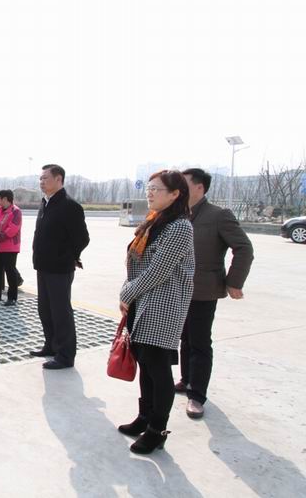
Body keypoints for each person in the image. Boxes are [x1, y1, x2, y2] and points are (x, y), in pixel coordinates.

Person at [117, 169, 195, 454]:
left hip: (163, 305)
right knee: (145, 364)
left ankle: (157, 430)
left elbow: (158, 271)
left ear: (175, 194)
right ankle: (145, 416)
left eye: (156, 189)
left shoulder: (180, 227)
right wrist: (128, 292)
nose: (150, 193)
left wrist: (127, 293)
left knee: (158, 369)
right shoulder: (155, 220)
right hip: (142, 301)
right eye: (148, 188)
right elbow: (136, 263)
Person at [177, 168, 254, 419]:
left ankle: (197, 396)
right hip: (178, 288)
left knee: (199, 342)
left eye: (184, 184)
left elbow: (244, 248)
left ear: (199, 187)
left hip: (204, 289)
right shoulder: (178, 213)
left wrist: (234, 282)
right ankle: (186, 379)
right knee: (185, 338)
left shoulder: (218, 215)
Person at [29, 164, 90, 369]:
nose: (41, 182)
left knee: (61, 312)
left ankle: (65, 355)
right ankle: (51, 345)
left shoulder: (69, 206)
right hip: (43, 266)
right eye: (40, 178)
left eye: (45, 178)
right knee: (45, 309)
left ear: (58, 179)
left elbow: (82, 238)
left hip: (60, 269)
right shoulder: (45, 202)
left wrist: (67, 256)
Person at [0, 189, 22, 306]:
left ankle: (12, 297)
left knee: (10, 272)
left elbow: (13, 229)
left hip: (10, 247)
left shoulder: (16, 212)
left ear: (5, 199)